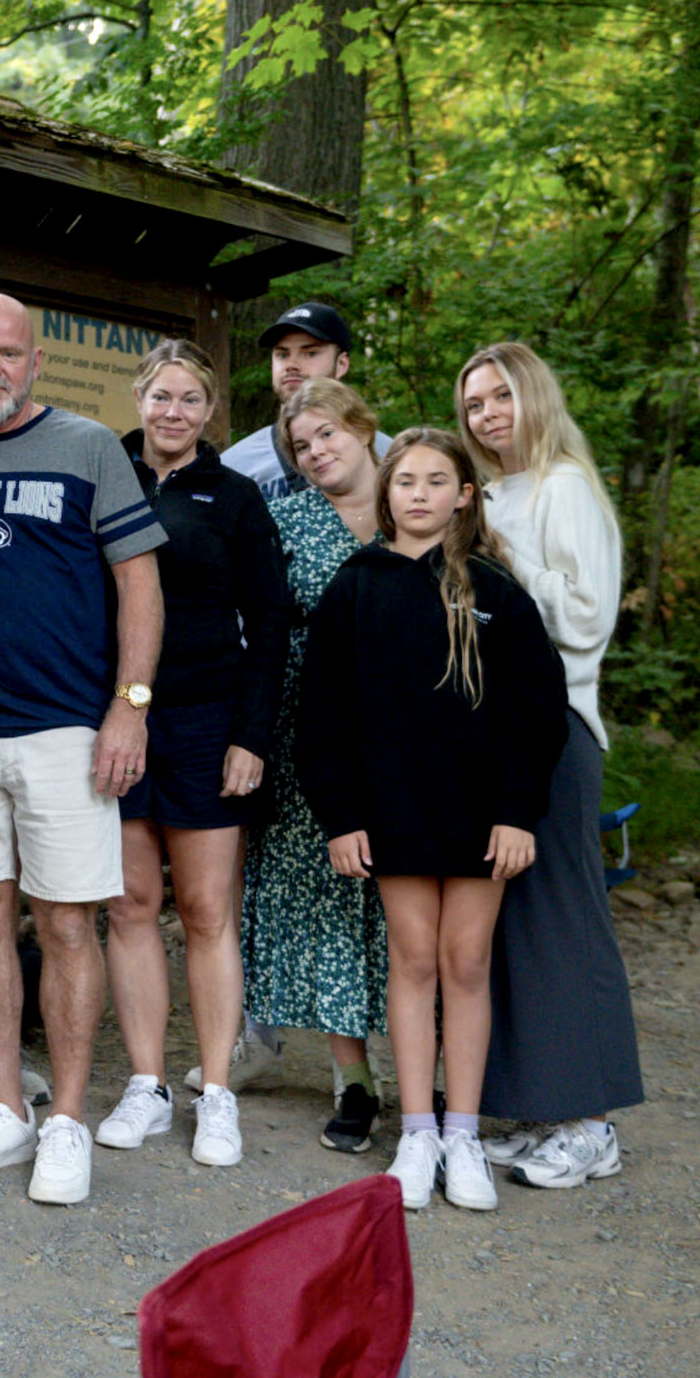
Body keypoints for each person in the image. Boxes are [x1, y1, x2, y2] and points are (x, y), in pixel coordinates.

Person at [0, 294, 167, 1205]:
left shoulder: (89, 447)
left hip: (66, 729)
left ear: (34, 363)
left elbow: (139, 585)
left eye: (5, 353)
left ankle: (64, 1119)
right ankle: (3, 1110)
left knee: (65, 922)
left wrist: (129, 707)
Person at [297, 429, 567, 1212]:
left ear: (462, 496)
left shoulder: (494, 591)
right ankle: (416, 1133)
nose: (417, 493)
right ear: (386, 496)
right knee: (412, 961)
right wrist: (341, 817)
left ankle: (462, 1133)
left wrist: (519, 812)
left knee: (467, 964)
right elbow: (323, 716)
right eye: (403, 480)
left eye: (434, 480)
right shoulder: (356, 586)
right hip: (392, 815)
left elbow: (534, 712)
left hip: (482, 820)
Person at [457, 342, 645, 1186]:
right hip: (491, 733)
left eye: (501, 396)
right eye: (473, 404)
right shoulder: (490, 494)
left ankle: (592, 1122)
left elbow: (582, 619)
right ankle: (544, 1110)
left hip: (558, 729)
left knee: (565, 916)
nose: (488, 414)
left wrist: (504, 555)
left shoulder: (564, 488)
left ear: (534, 398)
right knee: (513, 929)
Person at [98, 341, 288, 1169]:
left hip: (209, 722)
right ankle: (146, 1084)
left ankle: (215, 1092)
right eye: (160, 397)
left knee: (208, 911)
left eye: (189, 401)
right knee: (130, 905)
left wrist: (251, 735)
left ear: (208, 413)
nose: (172, 413)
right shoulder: (105, 472)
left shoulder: (235, 497)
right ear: (138, 398)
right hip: (117, 720)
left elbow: (270, 625)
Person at [236, 379, 392, 1154]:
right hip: (311, 732)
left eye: (328, 434)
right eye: (302, 445)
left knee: (412, 908)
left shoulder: (414, 509)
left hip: (409, 736)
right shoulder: (285, 518)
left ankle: (436, 1071)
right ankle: (351, 1078)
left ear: (363, 430)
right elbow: (257, 623)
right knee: (334, 897)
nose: (318, 452)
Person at [219, 301, 392, 502]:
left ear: (342, 363)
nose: (292, 365)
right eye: (282, 354)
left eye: (310, 353)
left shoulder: (391, 456)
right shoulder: (235, 466)